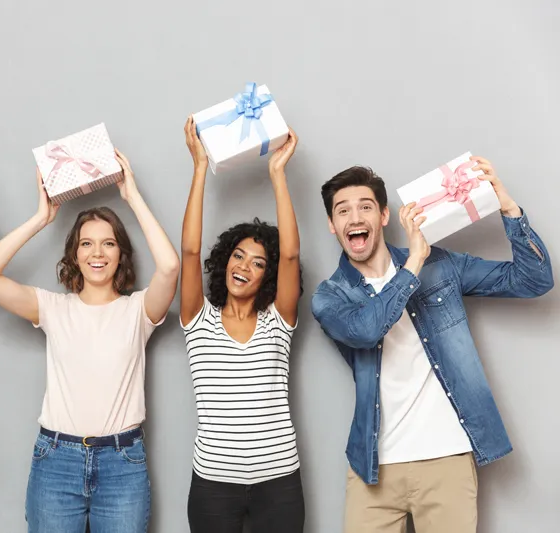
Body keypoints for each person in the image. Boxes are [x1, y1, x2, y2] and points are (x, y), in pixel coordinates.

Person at [311, 161, 553, 533]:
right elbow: (366, 331)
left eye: (365, 206)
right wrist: (413, 264)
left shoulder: (441, 267)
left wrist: (507, 207)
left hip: (446, 461)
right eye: (342, 210)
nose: (354, 217)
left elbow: (533, 279)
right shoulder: (330, 296)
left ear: (384, 215)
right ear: (332, 225)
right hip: (373, 468)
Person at [0, 151, 179, 533]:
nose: (97, 253)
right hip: (56, 460)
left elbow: (170, 267)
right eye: (86, 244)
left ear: (121, 255)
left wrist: (131, 196)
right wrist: (40, 218)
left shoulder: (139, 311)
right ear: (74, 254)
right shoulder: (52, 308)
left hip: (122, 462)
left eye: (108, 244)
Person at [179, 117, 306, 533]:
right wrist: (199, 167)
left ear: (265, 277)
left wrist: (277, 174)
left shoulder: (278, 322)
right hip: (213, 484)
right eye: (238, 256)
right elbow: (190, 250)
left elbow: (289, 255)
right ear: (224, 262)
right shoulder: (197, 320)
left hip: (279, 481)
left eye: (257, 263)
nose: (244, 267)